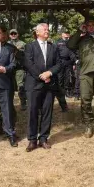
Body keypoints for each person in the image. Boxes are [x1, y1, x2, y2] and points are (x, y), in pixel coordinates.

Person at [24, 23, 64, 152]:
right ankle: (32, 140)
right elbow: (28, 64)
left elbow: (59, 63)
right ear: (37, 32)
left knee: (47, 112)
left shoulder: (53, 47)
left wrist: (49, 73)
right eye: (45, 29)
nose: (47, 31)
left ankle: (43, 139)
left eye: (48, 29)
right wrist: (41, 76)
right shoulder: (30, 46)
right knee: (32, 112)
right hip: (34, 84)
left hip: (49, 85)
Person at [7, 29, 27, 110]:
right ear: (9, 35)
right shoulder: (7, 44)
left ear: (17, 34)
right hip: (9, 69)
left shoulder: (23, 44)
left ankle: (23, 103)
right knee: (9, 86)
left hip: (19, 68)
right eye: (12, 33)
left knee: (20, 86)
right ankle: (10, 104)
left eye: (15, 33)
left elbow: (26, 55)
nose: (13, 35)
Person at [54, 31, 74, 112]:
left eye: (68, 33)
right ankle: (61, 93)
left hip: (68, 62)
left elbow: (73, 53)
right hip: (60, 62)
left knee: (67, 78)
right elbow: (56, 53)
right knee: (60, 78)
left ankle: (66, 92)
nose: (66, 34)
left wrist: (72, 62)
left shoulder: (71, 42)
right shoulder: (58, 43)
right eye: (65, 33)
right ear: (62, 34)